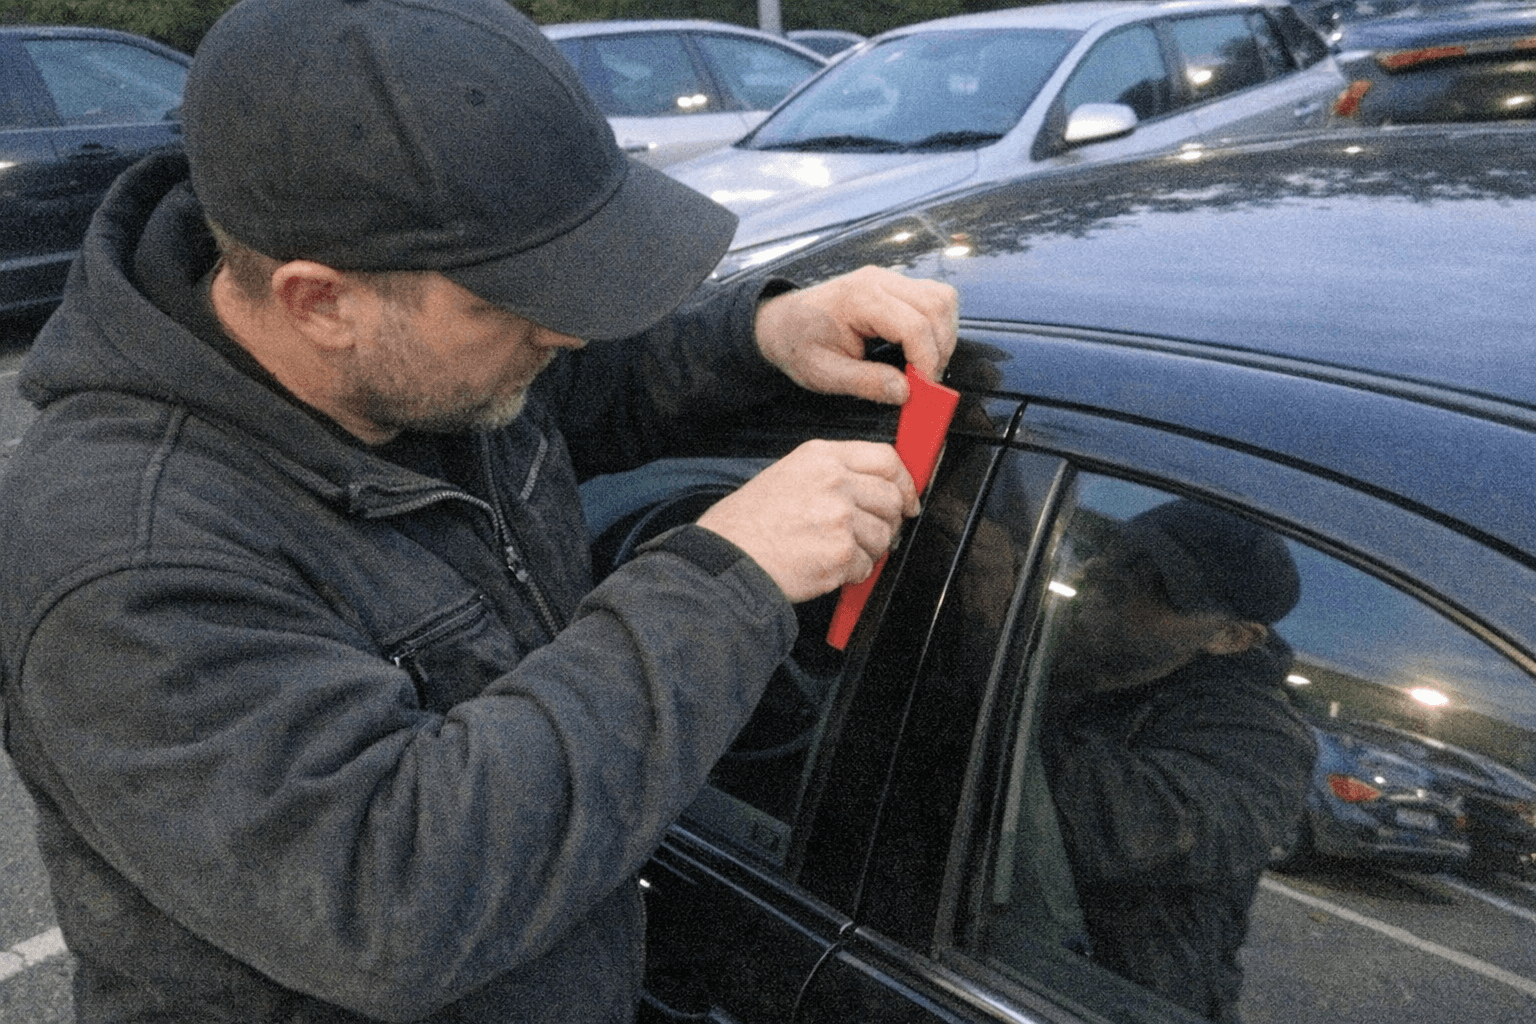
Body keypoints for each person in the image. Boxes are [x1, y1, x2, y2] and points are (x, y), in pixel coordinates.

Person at [0, 2, 957, 1022]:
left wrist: (759, 332)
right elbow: (393, 895)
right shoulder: (126, 558)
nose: (567, 329)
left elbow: (561, 397)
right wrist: (726, 580)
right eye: (515, 298)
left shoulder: (409, 361)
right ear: (320, 300)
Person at [1040, 500, 1315, 1023]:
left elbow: (1129, 832)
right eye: (1117, 552)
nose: (1104, 575)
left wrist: (986, 663)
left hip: (1109, 999)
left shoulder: (1263, 738)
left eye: (1157, 582)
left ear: (1231, 638)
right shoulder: (1069, 651)